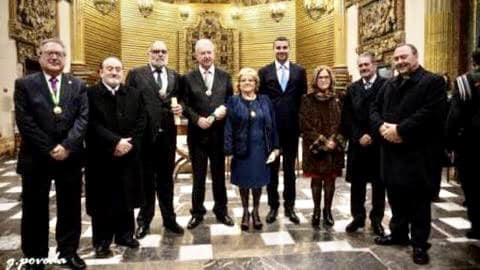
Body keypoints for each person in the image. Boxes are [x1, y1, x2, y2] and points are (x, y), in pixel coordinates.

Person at [14, 38, 88, 270]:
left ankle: (68, 252)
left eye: (59, 54)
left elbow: (82, 118)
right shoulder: (25, 84)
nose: (55, 57)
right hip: (36, 158)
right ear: (40, 56)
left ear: (65, 58)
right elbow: (25, 121)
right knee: (34, 209)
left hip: (70, 157)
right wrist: (49, 147)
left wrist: (67, 145)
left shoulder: (77, 85)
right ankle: (35, 257)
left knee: (70, 207)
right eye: (49, 53)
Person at [370, 44, 447, 265]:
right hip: (391, 153)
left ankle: (420, 244)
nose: (399, 61)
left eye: (404, 57)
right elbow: (374, 108)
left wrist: (400, 130)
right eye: (396, 58)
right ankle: (398, 233)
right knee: (395, 197)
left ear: (415, 56)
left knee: (418, 201)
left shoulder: (433, 82)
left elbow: (431, 114)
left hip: (417, 154)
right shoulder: (389, 84)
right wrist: (383, 128)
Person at [85, 57, 146, 258]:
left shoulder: (134, 93)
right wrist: (115, 143)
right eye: (109, 68)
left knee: (126, 196)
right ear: (100, 72)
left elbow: (141, 120)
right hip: (101, 156)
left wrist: (129, 144)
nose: (114, 72)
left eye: (118, 69)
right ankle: (102, 241)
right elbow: (91, 123)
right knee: (103, 199)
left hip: (128, 155)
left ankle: (125, 234)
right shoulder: (89, 94)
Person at [126, 40, 184, 237]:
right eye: (156, 51)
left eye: (163, 51)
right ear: (148, 53)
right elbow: (129, 103)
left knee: (166, 180)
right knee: (146, 180)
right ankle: (144, 220)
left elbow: (180, 100)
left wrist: (180, 107)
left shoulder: (175, 75)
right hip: (144, 137)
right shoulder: (135, 74)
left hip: (167, 136)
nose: (160, 54)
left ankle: (170, 220)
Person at [182, 38, 234, 229]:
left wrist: (222, 112)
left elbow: (230, 101)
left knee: (220, 176)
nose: (206, 56)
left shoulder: (225, 76)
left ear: (214, 53)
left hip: (218, 135)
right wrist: (197, 119)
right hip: (197, 136)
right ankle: (197, 212)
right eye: (202, 53)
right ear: (196, 55)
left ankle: (221, 211)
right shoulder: (187, 78)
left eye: (209, 52)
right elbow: (183, 104)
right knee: (199, 177)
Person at [258, 36, 307, 224]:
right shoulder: (264, 72)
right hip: (271, 130)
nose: (281, 50)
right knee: (272, 169)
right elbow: (261, 100)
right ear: (274, 49)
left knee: (289, 170)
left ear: (289, 49)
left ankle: (290, 206)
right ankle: (273, 206)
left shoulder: (299, 71)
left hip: (292, 129)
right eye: (278, 47)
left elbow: (303, 98)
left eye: (284, 47)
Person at [224, 67, 280, 231]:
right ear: (238, 84)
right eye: (243, 80)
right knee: (243, 182)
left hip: (261, 148)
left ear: (256, 83)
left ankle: (255, 211)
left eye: (250, 80)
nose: (247, 83)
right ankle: (245, 212)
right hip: (242, 149)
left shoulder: (265, 100)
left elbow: (273, 125)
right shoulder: (233, 101)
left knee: (257, 182)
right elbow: (228, 127)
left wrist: (276, 148)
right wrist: (228, 149)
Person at [341, 52, 386, 236]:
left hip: (378, 144)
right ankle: (358, 217)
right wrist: (358, 136)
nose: (363, 68)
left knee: (378, 184)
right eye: (360, 65)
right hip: (357, 144)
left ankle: (377, 220)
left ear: (374, 65)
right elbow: (347, 117)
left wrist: (373, 135)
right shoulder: (352, 88)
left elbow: (387, 112)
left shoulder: (386, 86)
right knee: (357, 184)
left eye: (366, 64)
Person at [299, 66, 344, 228]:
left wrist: (334, 141)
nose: (323, 80)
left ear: (331, 79)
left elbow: (344, 123)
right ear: (315, 80)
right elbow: (304, 124)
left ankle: (328, 211)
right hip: (315, 147)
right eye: (320, 77)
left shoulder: (339, 98)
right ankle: (317, 210)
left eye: (326, 77)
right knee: (316, 180)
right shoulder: (307, 99)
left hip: (334, 148)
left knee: (330, 181)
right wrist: (323, 141)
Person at [445, 49, 480, 240]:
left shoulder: (465, 82)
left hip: (471, 143)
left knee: (473, 186)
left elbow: (454, 116)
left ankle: (477, 226)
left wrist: (449, 144)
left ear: (473, 62)